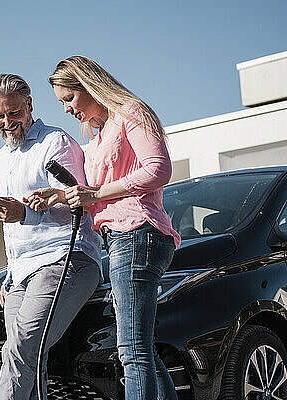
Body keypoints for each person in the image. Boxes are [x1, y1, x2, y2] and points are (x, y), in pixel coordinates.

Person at [26, 56, 181, 400]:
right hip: (118, 239)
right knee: (144, 351)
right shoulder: (96, 139)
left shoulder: (131, 112)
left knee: (132, 352)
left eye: (69, 98)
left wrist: (95, 192)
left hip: (138, 232)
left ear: (90, 85)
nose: (66, 110)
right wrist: (60, 195)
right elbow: (95, 197)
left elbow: (158, 170)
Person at [0, 73, 102, 400]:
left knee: (20, 349)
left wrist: (25, 212)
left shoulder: (56, 142)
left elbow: (80, 205)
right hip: (21, 274)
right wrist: (10, 277)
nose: (8, 122)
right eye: (0, 116)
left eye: (15, 112)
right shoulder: (3, 157)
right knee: (29, 357)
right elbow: (14, 229)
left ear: (30, 105)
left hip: (64, 259)